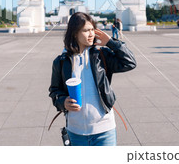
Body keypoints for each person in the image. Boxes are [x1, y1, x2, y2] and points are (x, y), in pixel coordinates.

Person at [49, 12, 136, 146]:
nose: (91, 34)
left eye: (92, 30)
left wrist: (112, 43)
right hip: (75, 131)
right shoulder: (61, 62)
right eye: (85, 30)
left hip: (104, 130)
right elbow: (54, 91)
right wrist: (62, 102)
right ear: (74, 33)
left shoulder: (102, 55)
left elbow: (129, 62)